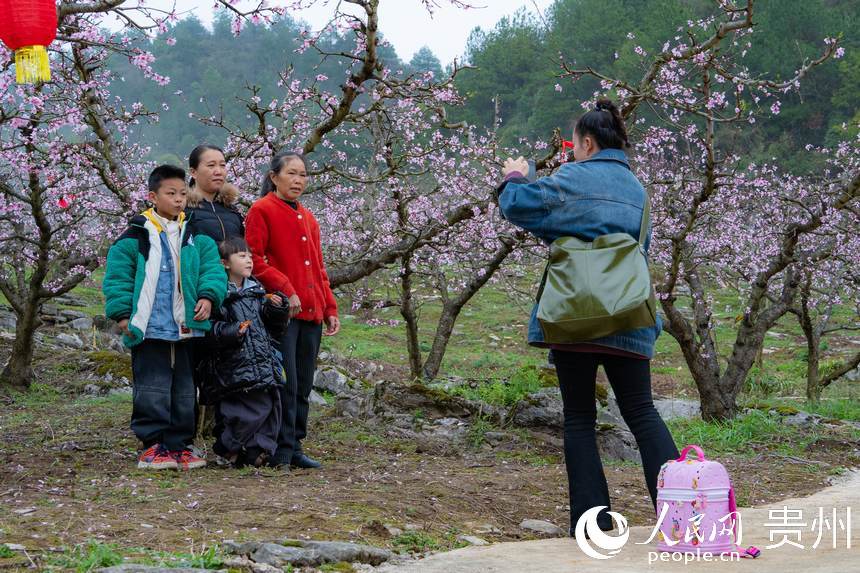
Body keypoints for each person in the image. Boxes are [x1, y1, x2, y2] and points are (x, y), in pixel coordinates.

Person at [497, 99, 679, 536]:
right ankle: (680, 513)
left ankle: (592, 522)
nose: (574, 151)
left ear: (588, 143)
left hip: (574, 316)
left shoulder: (572, 178)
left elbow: (518, 206)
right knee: (642, 412)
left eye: (575, 144)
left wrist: (516, 175)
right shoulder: (637, 190)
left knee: (579, 417)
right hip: (629, 316)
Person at [103, 165, 227, 470]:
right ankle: (153, 445)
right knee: (152, 385)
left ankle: (180, 444)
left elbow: (212, 270)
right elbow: (118, 278)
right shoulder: (135, 236)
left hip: (185, 325)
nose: (178, 199)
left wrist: (208, 297)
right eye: (171, 194)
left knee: (185, 388)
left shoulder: (195, 236)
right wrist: (122, 315)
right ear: (152, 196)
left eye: (183, 193)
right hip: (149, 326)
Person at [245, 151, 340, 471]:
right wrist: (285, 288)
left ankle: (295, 445)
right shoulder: (261, 210)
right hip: (282, 313)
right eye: (292, 173)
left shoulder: (309, 218)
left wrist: (329, 306)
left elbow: (319, 268)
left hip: (312, 313)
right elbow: (254, 260)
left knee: (304, 383)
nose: (298, 180)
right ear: (274, 177)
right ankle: (279, 449)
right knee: (286, 382)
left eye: (303, 174)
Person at [198, 237, 290, 468]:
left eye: (250, 256)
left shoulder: (258, 292)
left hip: (262, 362)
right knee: (243, 411)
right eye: (241, 256)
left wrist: (278, 309)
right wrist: (232, 331)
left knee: (271, 406)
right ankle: (227, 447)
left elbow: (274, 328)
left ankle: (255, 452)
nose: (249, 260)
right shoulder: (219, 294)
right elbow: (209, 329)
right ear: (225, 263)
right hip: (234, 366)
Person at [186, 144, 244, 242]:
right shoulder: (182, 211)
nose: (218, 172)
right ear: (193, 172)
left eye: (222, 165)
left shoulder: (233, 212)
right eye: (211, 165)